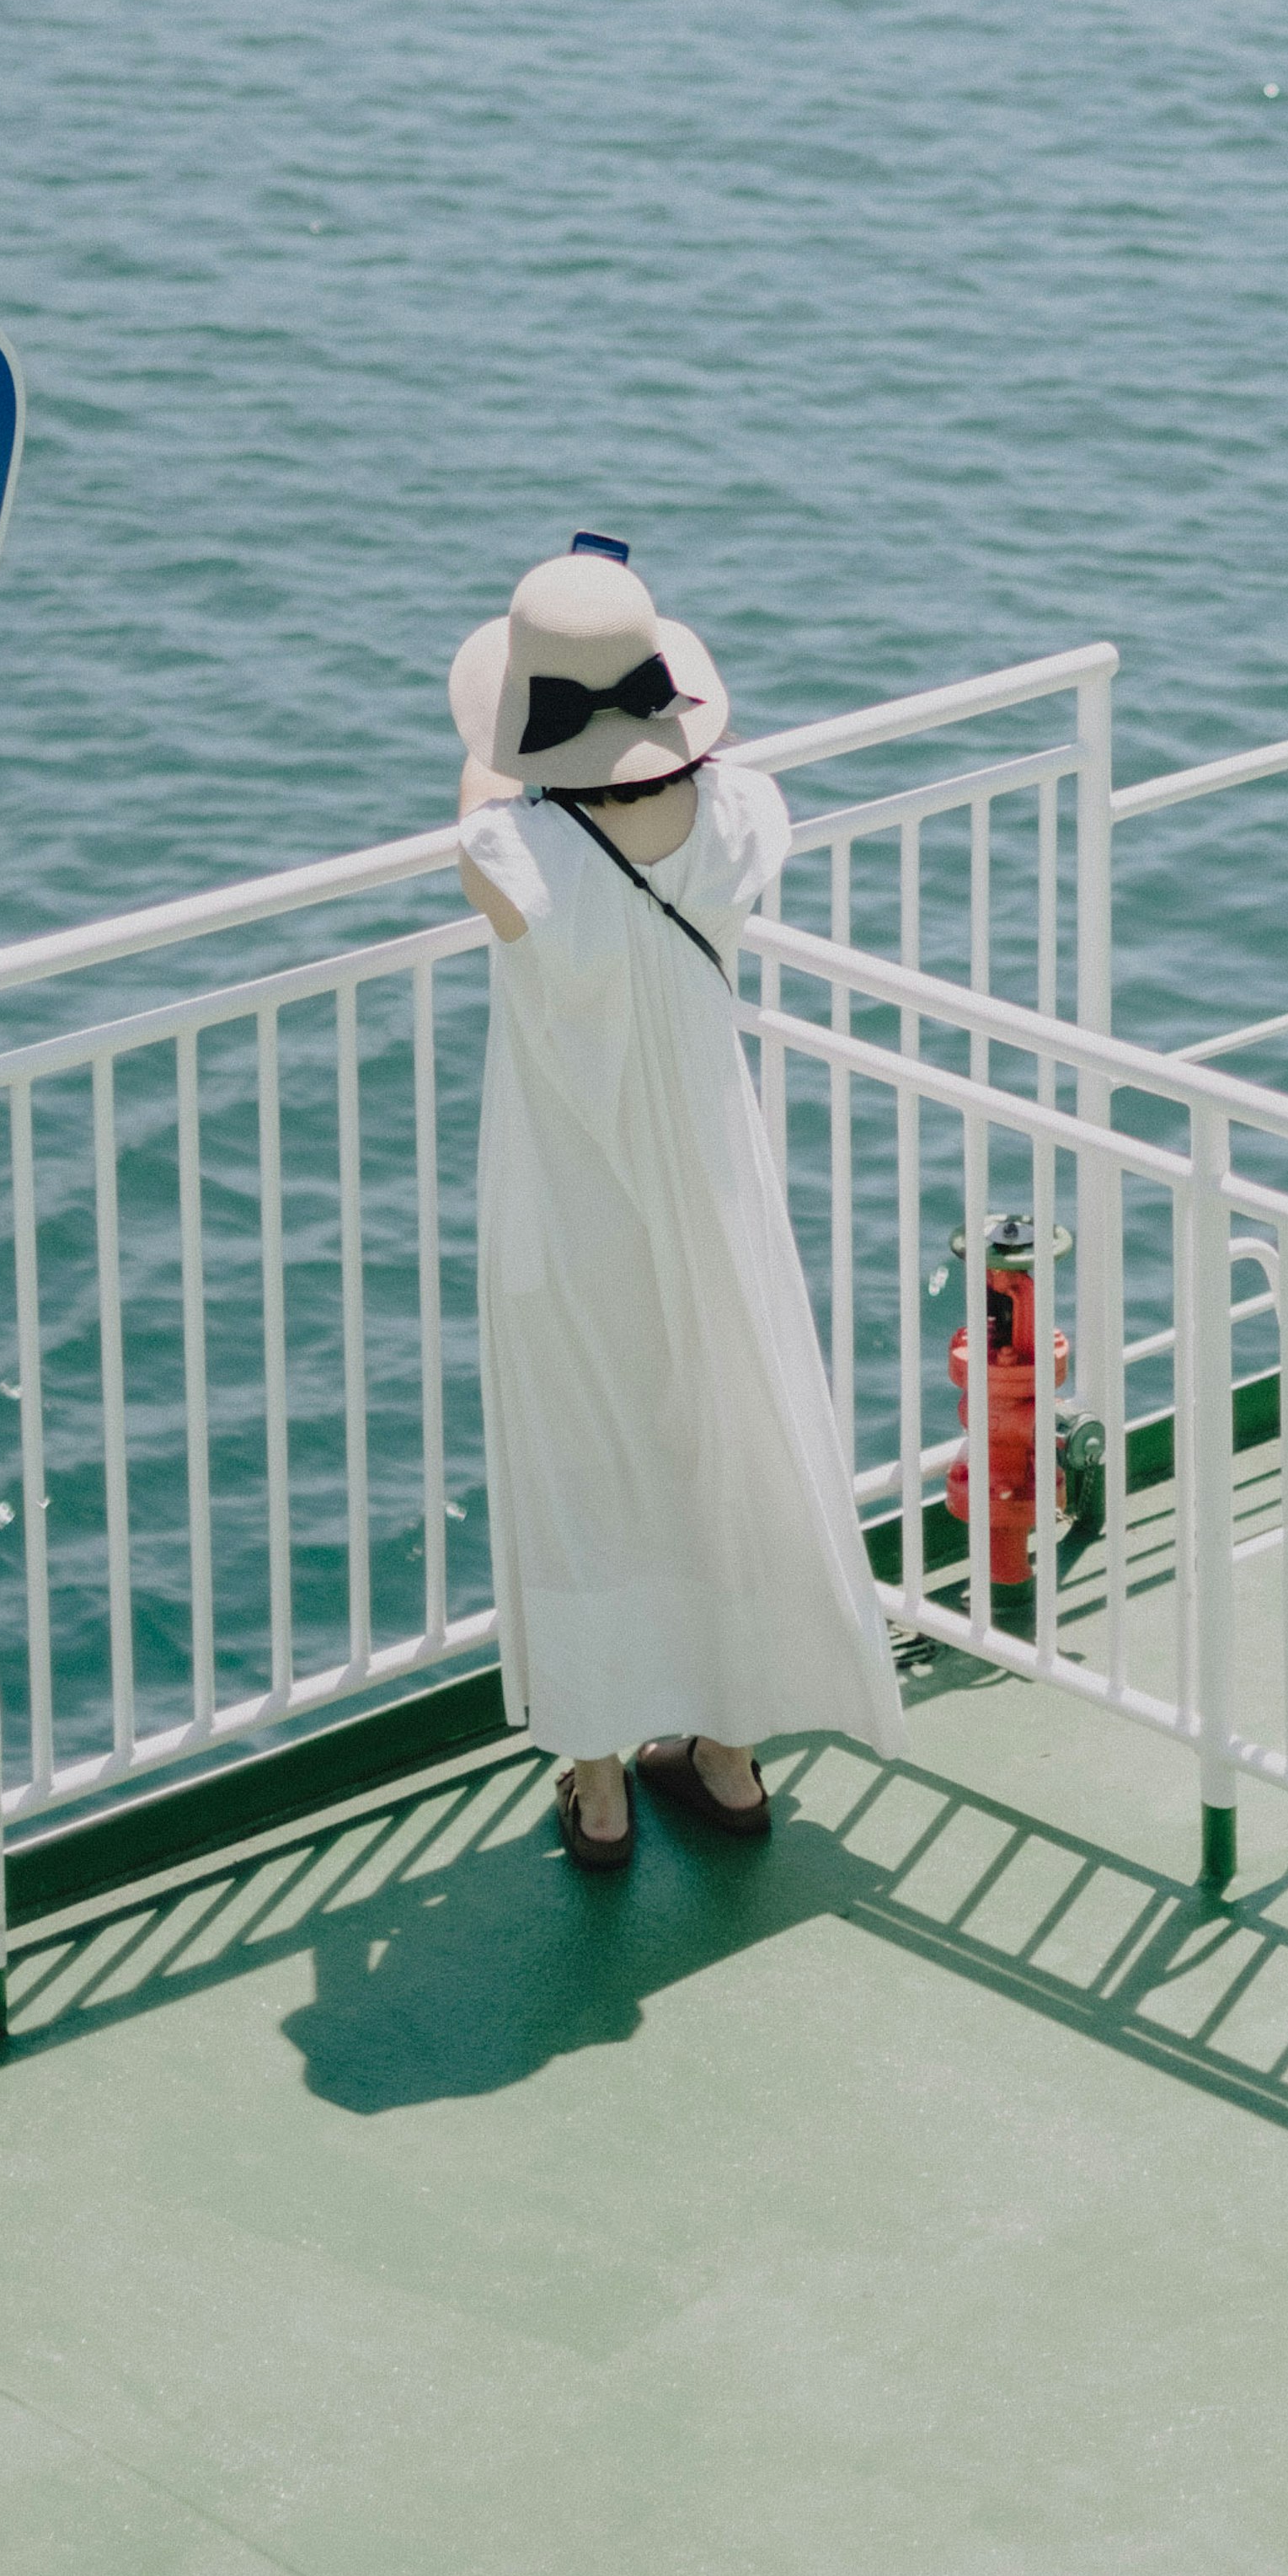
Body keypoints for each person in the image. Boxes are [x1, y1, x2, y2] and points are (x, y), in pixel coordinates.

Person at [450, 543, 901, 1868]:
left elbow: (487, 793)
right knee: (720, 1442)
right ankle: (727, 1749)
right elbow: (701, 774)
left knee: (580, 1470)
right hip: (713, 1183)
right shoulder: (742, 814)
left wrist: (506, 726)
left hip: (567, 1203)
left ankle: (596, 1788)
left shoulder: (512, 852)